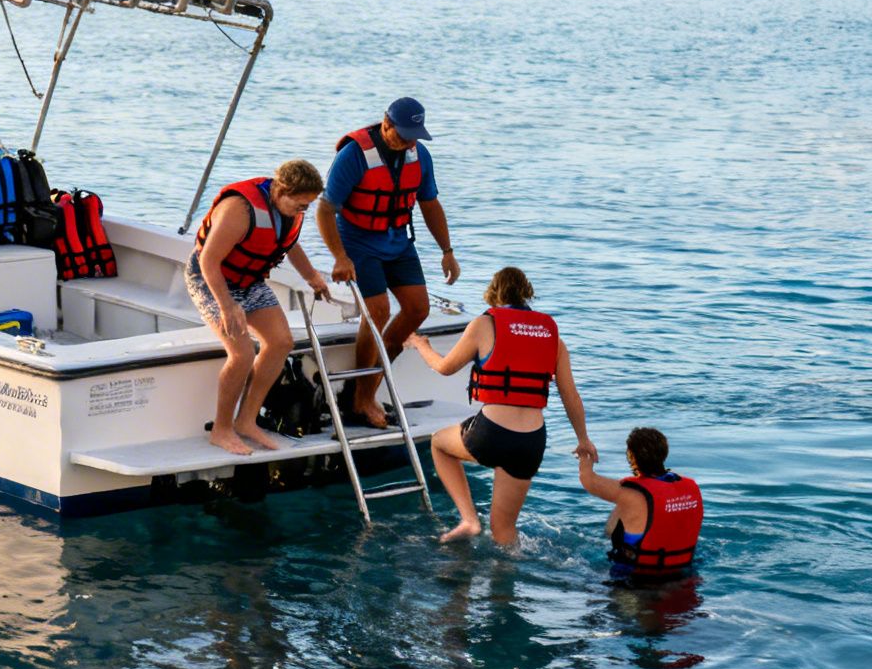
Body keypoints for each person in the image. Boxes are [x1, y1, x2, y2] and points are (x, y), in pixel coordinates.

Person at [406, 266, 592, 547]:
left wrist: (421, 345)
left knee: (439, 445)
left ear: (494, 293)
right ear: (527, 292)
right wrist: (583, 440)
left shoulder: (485, 324)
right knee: (504, 531)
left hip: (491, 433)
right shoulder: (552, 336)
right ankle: (507, 584)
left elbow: (444, 368)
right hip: (531, 442)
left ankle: (469, 521)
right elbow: (571, 396)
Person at [317, 97, 459, 428]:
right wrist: (340, 256)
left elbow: (430, 203)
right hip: (359, 243)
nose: (410, 142)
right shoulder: (353, 155)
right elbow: (326, 209)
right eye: (405, 133)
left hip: (398, 241)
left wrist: (447, 251)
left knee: (417, 308)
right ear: (386, 124)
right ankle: (362, 399)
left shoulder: (419, 155)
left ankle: (368, 383)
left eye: (415, 135)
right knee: (378, 310)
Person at [188, 159, 332, 455]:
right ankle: (222, 429)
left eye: (308, 205)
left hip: (249, 280)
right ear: (281, 191)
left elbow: (288, 243)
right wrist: (227, 306)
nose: (304, 211)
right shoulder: (239, 210)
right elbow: (208, 261)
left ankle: (247, 421)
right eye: (300, 205)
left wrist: (312, 277)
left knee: (281, 342)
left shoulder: (289, 211)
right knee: (241, 354)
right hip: (211, 280)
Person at [579, 427, 704, 582]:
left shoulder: (631, 494)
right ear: (664, 453)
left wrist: (585, 451)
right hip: (685, 575)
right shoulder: (690, 487)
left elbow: (588, 480)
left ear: (632, 456)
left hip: (638, 581)